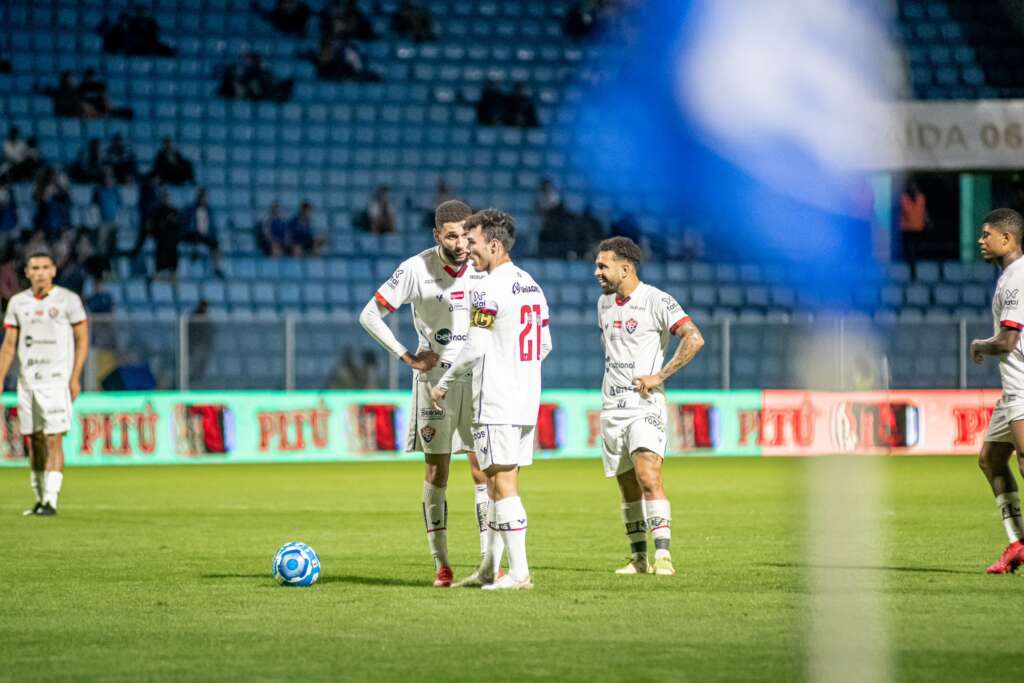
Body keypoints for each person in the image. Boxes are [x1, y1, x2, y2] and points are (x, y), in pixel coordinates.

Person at [359, 199, 494, 588]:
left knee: (483, 470)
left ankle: (489, 562)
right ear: (437, 235)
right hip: (433, 382)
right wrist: (405, 355)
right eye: (452, 235)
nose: (462, 243)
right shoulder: (415, 269)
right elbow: (369, 314)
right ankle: (442, 564)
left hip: (476, 380)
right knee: (437, 471)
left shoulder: (483, 268)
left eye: (466, 234)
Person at [430, 208, 552, 591]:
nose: (469, 250)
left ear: (495, 245)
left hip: (497, 400)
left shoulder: (488, 288)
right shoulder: (531, 284)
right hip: (525, 398)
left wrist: (444, 382)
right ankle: (488, 568)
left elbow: (473, 347)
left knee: (502, 484)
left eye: (475, 242)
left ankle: (518, 573)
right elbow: (545, 344)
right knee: (498, 483)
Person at [593, 236, 704, 576]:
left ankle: (664, 557)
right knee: (627, 486)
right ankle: (639, 559)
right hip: (612, 406)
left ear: (625, 268)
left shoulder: (657, 300)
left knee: (648, 475)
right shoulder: (603, 303)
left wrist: (660, 375)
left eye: (603, 265)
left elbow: (694, 337)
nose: (596, 272)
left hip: (644, 404)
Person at [0, 250, 89, 515]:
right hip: (28, 382)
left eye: (45, 267)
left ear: (53, 271)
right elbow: (9, 346)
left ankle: (51, 499)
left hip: (57, 381)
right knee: (34, 440)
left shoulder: (68, 300)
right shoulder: (17, 303)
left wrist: (74, 377)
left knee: (53, 439)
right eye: (34, 268)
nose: (40, 272)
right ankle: (40, 497)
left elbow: (82, 339)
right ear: (26, 273)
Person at [970, 208, 1024, 573]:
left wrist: (979, 345)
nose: (980, 240)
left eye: (986, 234)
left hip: (1022, 384)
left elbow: (1007, 341)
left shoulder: (1018, 278)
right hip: (1011, 390)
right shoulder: (1008, 276)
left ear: (1007, 239)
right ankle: (1017, 544)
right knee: (991, 459)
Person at [181, 188, 224, 278]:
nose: (202, 199)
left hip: (205, 235)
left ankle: (216, 268)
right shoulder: (190, 209)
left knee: (215, 243)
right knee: (196, 236)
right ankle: (195, 252)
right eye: (200, 197)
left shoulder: (209, 210)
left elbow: (212, 226)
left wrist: (212, 234)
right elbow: (184, 223)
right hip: (192, 234)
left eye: (204, 197)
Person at [900, 179, 928, 277]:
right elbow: (905, 212)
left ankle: (915, 266)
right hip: (907, 228)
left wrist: (927, 220)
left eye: (915, 187)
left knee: (917, 248)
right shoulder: (904, 198)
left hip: (918, 228)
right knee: (910, 249)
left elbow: (923, 211)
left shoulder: (921, 197)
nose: (913, 189)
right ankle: (912, 270)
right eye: (911, 187)